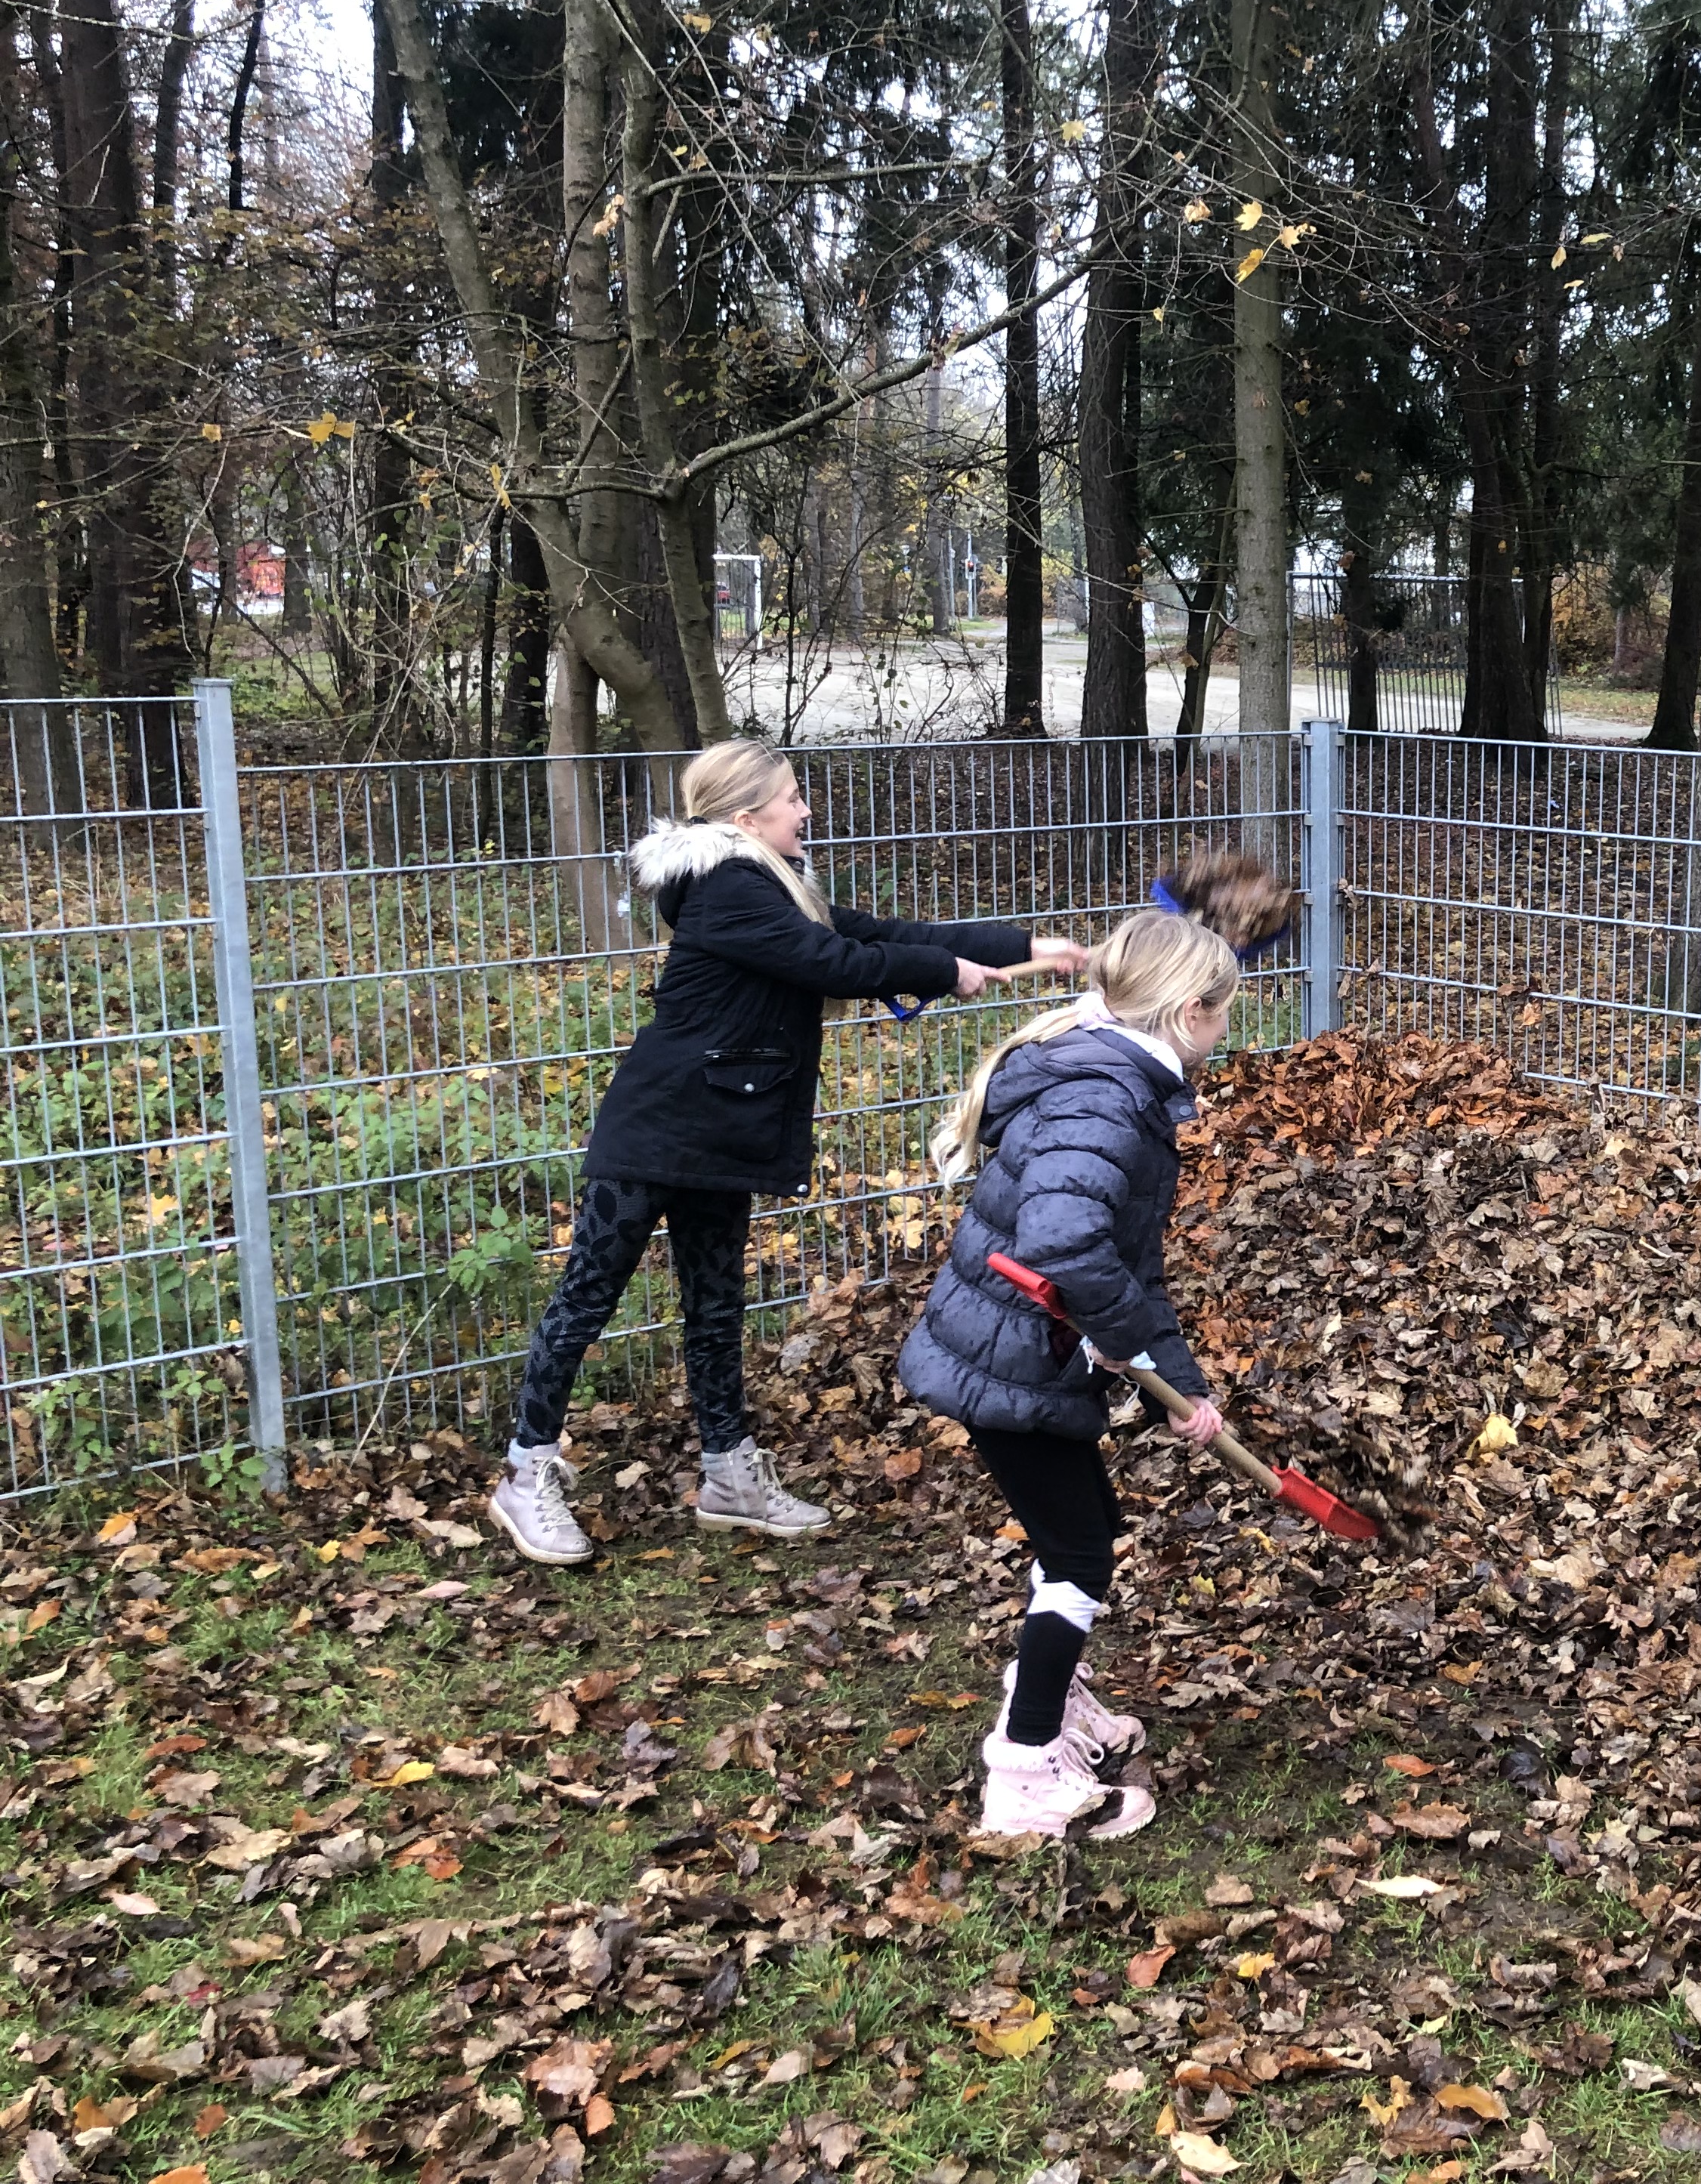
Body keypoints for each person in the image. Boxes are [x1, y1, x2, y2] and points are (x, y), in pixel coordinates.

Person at [486, 740, 1085, 1567]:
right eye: (792, 799)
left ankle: (729, 1474)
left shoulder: (773, 884)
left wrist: (1025, 947)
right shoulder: (728, 888)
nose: (805, 812)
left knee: (717, 1304)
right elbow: (830, 962)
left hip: (724, 1127)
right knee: (588, 1296)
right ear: (745, 817)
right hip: (659, 1127)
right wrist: (946, 972)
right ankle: (526, 1471)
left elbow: (873, 931)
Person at [897, 912, 1239, 1842]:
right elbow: (1065, 1244)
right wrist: (1123, 1345)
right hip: (1011, 1356)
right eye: (1222, 1014)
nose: (1224, 1030)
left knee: (1083, 1534)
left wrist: (1183, 1384)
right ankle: (1025, 1771)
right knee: (1082, 1555)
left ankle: (1054, 1698)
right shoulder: (1104, 1099)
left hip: (1015, 1345)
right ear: (1192, 1013)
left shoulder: (1113, 1067)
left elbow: (1127, 1264)